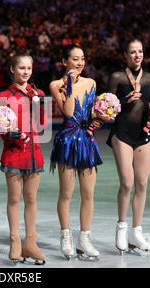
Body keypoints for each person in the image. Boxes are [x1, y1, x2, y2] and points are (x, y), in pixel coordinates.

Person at [49, 44, 109, 261]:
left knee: (88, 193)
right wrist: (71, 87)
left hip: (87, 139)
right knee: (66, 193)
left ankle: (84, 239)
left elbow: (91, 112)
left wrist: (103, 114)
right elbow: (69, 111)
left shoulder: (91, 82)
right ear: (64, 62)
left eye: (82, 58)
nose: (80, 63)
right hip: (67, 140)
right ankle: (66, 236)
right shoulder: (56, 85)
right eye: (75, 59)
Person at [106, 39, 150, 256]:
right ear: (125, 55)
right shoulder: (117, 78)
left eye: (140, 52)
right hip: (122, 135)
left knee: (142, 183)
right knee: (127, 183)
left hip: (143, 135)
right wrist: (125, 101)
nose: (137, 55)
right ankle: (121, 227)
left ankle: (136, 232)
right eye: (132, 52)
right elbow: (108, 107)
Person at [0, 52, 48, 265]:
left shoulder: (38, 93)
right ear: (12, 69)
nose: (25, 72)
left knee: (32, 199)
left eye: (29, 68)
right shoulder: (3, 96)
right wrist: (7, 134)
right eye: (21, 68)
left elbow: (42, 124)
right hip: (14, 152)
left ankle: (30, 243)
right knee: (15, 199)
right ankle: (15, 241)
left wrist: (39, 104)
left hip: (34, 152)